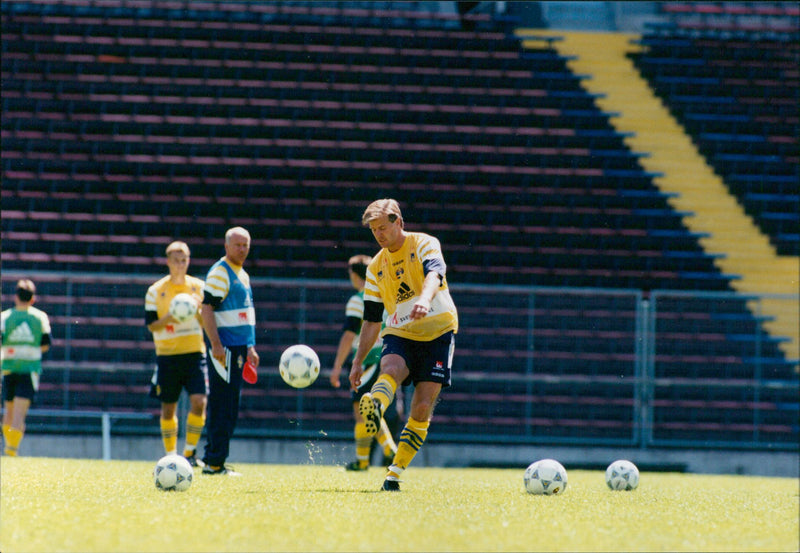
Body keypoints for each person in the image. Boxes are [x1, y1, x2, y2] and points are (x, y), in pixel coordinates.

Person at [349, 199, 458, 491]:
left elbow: (435, 274)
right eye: (374, 231)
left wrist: (424, 298)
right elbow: (371, 321)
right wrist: (358, 361)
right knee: (391, 367)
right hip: (401, 331)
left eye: (383, 228)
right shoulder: (375, 268)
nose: (379, 235)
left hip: (438, 331)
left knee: (421, 407)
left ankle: (394, 472)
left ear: (399, 222)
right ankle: (375, 404)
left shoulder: (424, 243)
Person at [329, 254, 398, 471]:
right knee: (370, 408)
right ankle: (365, 460)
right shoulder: (386, 297)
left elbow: (350, 335)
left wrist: (338, 367)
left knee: (363, 412)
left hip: (367, 359)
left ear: (354, 275)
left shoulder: (358, 300)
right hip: (387, 356)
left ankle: (385, 451)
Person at [201, 227, 259, 475]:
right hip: (225, 349)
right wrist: (215, 344)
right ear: (226, 246)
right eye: (237, 245)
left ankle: (214, 459)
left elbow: (245, 313)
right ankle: (214, 462)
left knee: (229, 404)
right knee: (223, 404)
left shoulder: (242, 273)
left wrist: (250, 347)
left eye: (245, 244)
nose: (242, 249)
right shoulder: (220, 273)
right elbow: (206, 309)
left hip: (239, 348)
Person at [145, 241, 208, 466]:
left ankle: (190, 453)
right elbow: (151, 325)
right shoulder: (155, 290)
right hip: (167, 355)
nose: (181, 264)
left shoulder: (199, 288)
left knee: (200, 401)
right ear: (168, 262)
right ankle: (171, 456)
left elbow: (207, 322)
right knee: (168, 407)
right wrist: (171, 317)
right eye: (176, 260)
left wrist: (198, 311)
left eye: (184, 260)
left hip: (194, 353)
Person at [1, 279, 51, 456]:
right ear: (32, 299)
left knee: (9, 412)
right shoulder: (40, 317)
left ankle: (8, 448)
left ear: (16, 297)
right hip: (29, 369)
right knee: (19, 415)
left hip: (8, 368)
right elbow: (45, 344)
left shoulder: (5, 317)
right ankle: (11, 450)